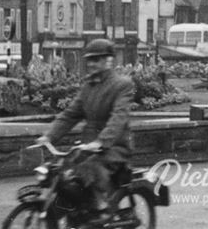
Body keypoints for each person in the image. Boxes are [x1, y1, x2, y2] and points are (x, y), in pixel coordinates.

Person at [36, 38, 134, 225]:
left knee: (88, 168)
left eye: (96, 59)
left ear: (108, 60)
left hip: (114, 146)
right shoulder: (88, 87)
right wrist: (49, 136)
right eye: (89, 59)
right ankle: (78, 211)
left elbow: (118, 118)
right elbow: (70, 114)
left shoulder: (122, 84)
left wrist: (101, 142)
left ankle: (101, 208)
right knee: (61, 172)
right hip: (89, 145)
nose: (91, 64)